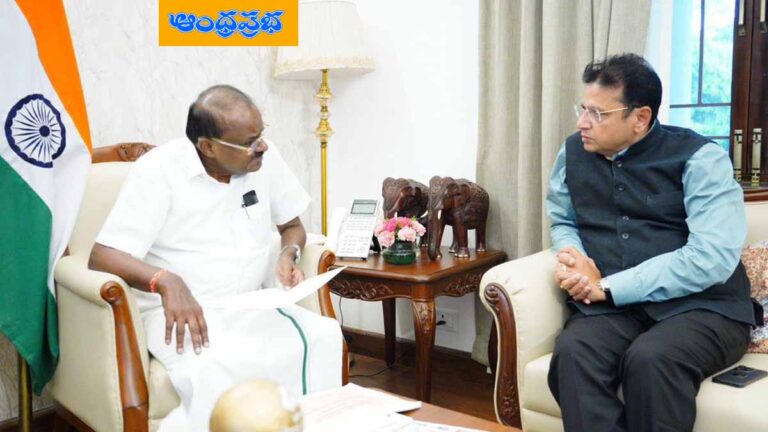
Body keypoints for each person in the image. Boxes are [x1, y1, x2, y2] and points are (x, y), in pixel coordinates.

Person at [89, 85, 342, 431]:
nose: (262, 147)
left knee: (323, 335)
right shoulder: (158, 171)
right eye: (250, 142)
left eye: (261, 134)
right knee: (216, 364)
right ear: (208, 147)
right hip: (184, 313)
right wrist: (164, 280)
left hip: (252, 303)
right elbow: (102, 255)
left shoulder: (265, 160)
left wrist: (289, 252)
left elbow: (292, 225)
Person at [546, 54, 757, 432]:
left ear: (640, 118)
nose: (582, 123)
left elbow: (709, 258)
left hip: (705, 307)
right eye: (583, 109)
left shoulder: (701, 159)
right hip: (616, 310)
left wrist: (607, 286)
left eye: (598, 113)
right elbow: (563, 220)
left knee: (651, 359)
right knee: (573, 352)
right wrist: (574, 258)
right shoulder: (572, 152)